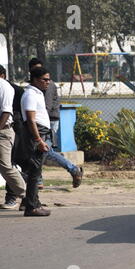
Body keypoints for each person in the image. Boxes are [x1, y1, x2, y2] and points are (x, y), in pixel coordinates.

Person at [28, 58, 83, 189]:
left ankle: (73, 169)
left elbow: (44, 108)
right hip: (42, 122)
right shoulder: (33, 87)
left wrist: (37, 122)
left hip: (49, 121)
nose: (45, 80)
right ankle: (39, 179)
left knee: (45, 151)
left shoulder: (48, 85)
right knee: (41, 151)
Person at [20, 67, 52, 216]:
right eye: (44, 79)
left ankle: (33, 202)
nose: (48, 82)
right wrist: (38, 140)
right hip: (36, 136)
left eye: (48, 79)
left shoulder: (37, 94)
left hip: (41, 133)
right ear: (35, 79)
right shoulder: (30, 95)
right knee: (34, 171)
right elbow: (31, 120)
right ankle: (31, 206)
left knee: (35, 171)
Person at [0, 65, 26, 210]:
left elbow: (6, 112)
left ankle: (27, 194)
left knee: (6, 166)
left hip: (3, 132)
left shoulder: (4, 87)